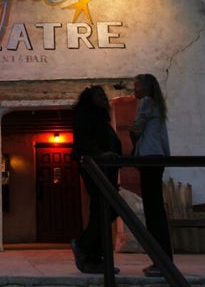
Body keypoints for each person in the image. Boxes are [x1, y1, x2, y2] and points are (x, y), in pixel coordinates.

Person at [70, 85, 122, 274]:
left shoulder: (102, 119)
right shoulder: (85, 115)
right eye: (98, 95)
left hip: (107, 170)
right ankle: (84, 246)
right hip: (96, 168)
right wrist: (101, 154)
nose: (103, 97)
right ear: (88, 99)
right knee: (107, 208)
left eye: (103, 94)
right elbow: (84, 142)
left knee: (102, 211)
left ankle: (95, 258)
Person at [129, 73, 173, 278]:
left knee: (152, 211)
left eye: (136, 86)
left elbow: (137, 128)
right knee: (157, 210)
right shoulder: (157, 104)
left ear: (145, 88)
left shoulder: (146, 102)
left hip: (149, 157)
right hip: (159, 157)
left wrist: (132, 136)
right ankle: (164, 259)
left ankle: (161, 261)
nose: (134, 90)